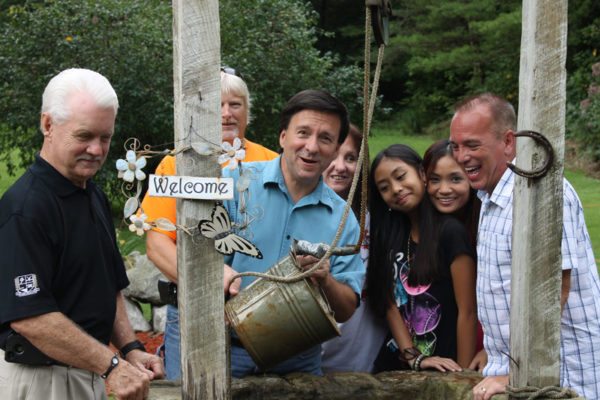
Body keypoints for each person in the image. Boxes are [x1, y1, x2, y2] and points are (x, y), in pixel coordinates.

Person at [0, 68, 165, 400]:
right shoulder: (26, 208)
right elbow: (31, 318)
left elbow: (109, 286)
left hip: (89, 371)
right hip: (37, 381)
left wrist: (131, 348)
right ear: (48, 125)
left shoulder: (92, 195)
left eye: (105, 137)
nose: (96, 149)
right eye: (84, 135)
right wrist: (112, 365)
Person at [449, 92, 600, 400]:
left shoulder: (537, 194)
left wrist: (513, 376)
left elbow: (553, 294)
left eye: (472, 145)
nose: (462, 156)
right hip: (520, 372)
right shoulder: (492, 197)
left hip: (560, 377)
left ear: (508, 141)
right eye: (456, 146)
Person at [141, 67, 278, 381]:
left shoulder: (272, 163)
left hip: (263, 315)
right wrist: (207, 283)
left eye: (235, 105)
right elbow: (156, 244)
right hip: (193, 313)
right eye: (216, 105)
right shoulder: (177, 163)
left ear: (247, 110)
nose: (226, 114)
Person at [222, 89, 364, 378]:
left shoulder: (342, 218)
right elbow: (196, 256)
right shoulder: (236, 182)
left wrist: (325, 280)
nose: (311, 147)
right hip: (226, 351)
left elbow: (348, 307)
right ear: (283, 137)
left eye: (325, 138)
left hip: (298, 362)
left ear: (336, 149)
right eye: (303, 133)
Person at [366, 144, 477, 372]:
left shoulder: (450, 232)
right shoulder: (391, 234)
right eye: (384, 187)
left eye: (401, 176)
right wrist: (413, 358)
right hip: (395, 365)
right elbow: (389, 303)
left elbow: (468, 311)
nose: (396, 189)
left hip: (445, 365)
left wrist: (463, 379)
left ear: (422, 173)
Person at [320, 124, 387, 373]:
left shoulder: (374, 216)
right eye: (333, 155)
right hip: (309, 354)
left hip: (361, 355)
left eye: (350, 158)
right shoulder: (297, 212)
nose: (340, 166)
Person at [423, 139, 484, 355]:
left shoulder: (481, 226)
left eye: (456, 179)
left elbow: (469, 310)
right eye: (435, 180)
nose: (444, 190)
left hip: (481, 344)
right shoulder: (427, 229)